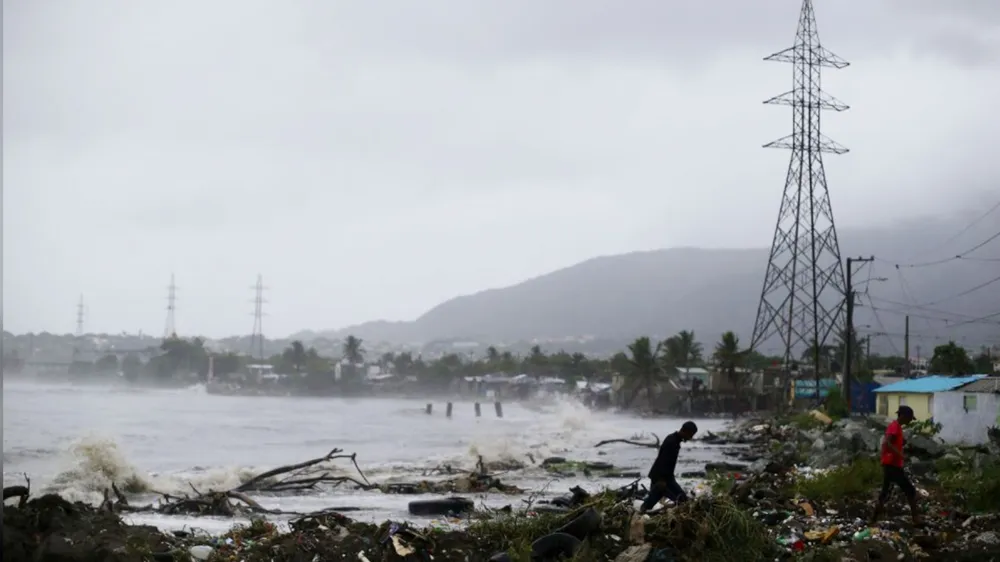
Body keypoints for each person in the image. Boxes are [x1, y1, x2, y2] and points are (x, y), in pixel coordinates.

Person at [871, 406, 922, 525]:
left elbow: (890, 443)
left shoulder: (896, 427)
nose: (910, 421)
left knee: (885, 493)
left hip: (891, 464)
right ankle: (916, 519)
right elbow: (887, 443)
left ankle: (873, 519)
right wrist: (901, 455)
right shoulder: (894, 427)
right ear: (903, 416)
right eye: (909, 418)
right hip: (892, 465)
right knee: (910, 490)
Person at [640, 421, 698, 513]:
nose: (691, 437)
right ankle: (641, 513)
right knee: (681, 500)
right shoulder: (672, 442)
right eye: (690, 434)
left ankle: (642, 511)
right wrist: (662, 480)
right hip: (662, 477)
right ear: (685, 431)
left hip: (665, 476)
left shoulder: (674, 440)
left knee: (654, 498)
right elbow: (663, 460)